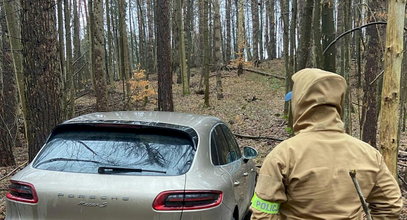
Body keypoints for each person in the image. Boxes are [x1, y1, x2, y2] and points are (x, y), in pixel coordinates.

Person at [251, 68, 402, 220]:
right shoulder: (369, 154)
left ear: (299, 104)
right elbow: (391, 205)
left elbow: (262, 213)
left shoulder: (283, 155)